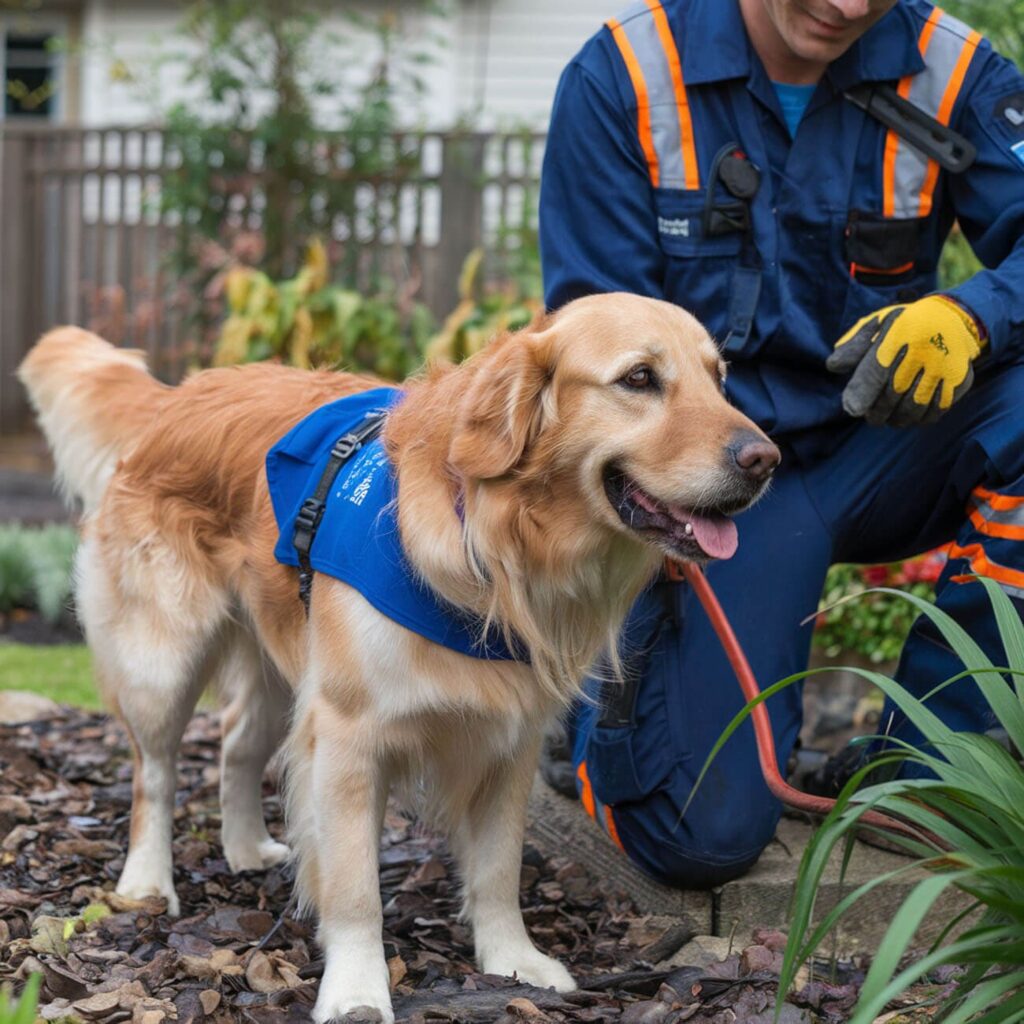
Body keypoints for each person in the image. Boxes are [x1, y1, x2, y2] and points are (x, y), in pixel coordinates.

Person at [538, 0, 1024, 888]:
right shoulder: (627, 78)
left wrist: (971, 313)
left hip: (880, 446)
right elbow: (598, 362)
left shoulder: (951, 71)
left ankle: (924, 771)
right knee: (700, 840)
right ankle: (582, 724)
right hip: (705, 485)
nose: (846, 8)